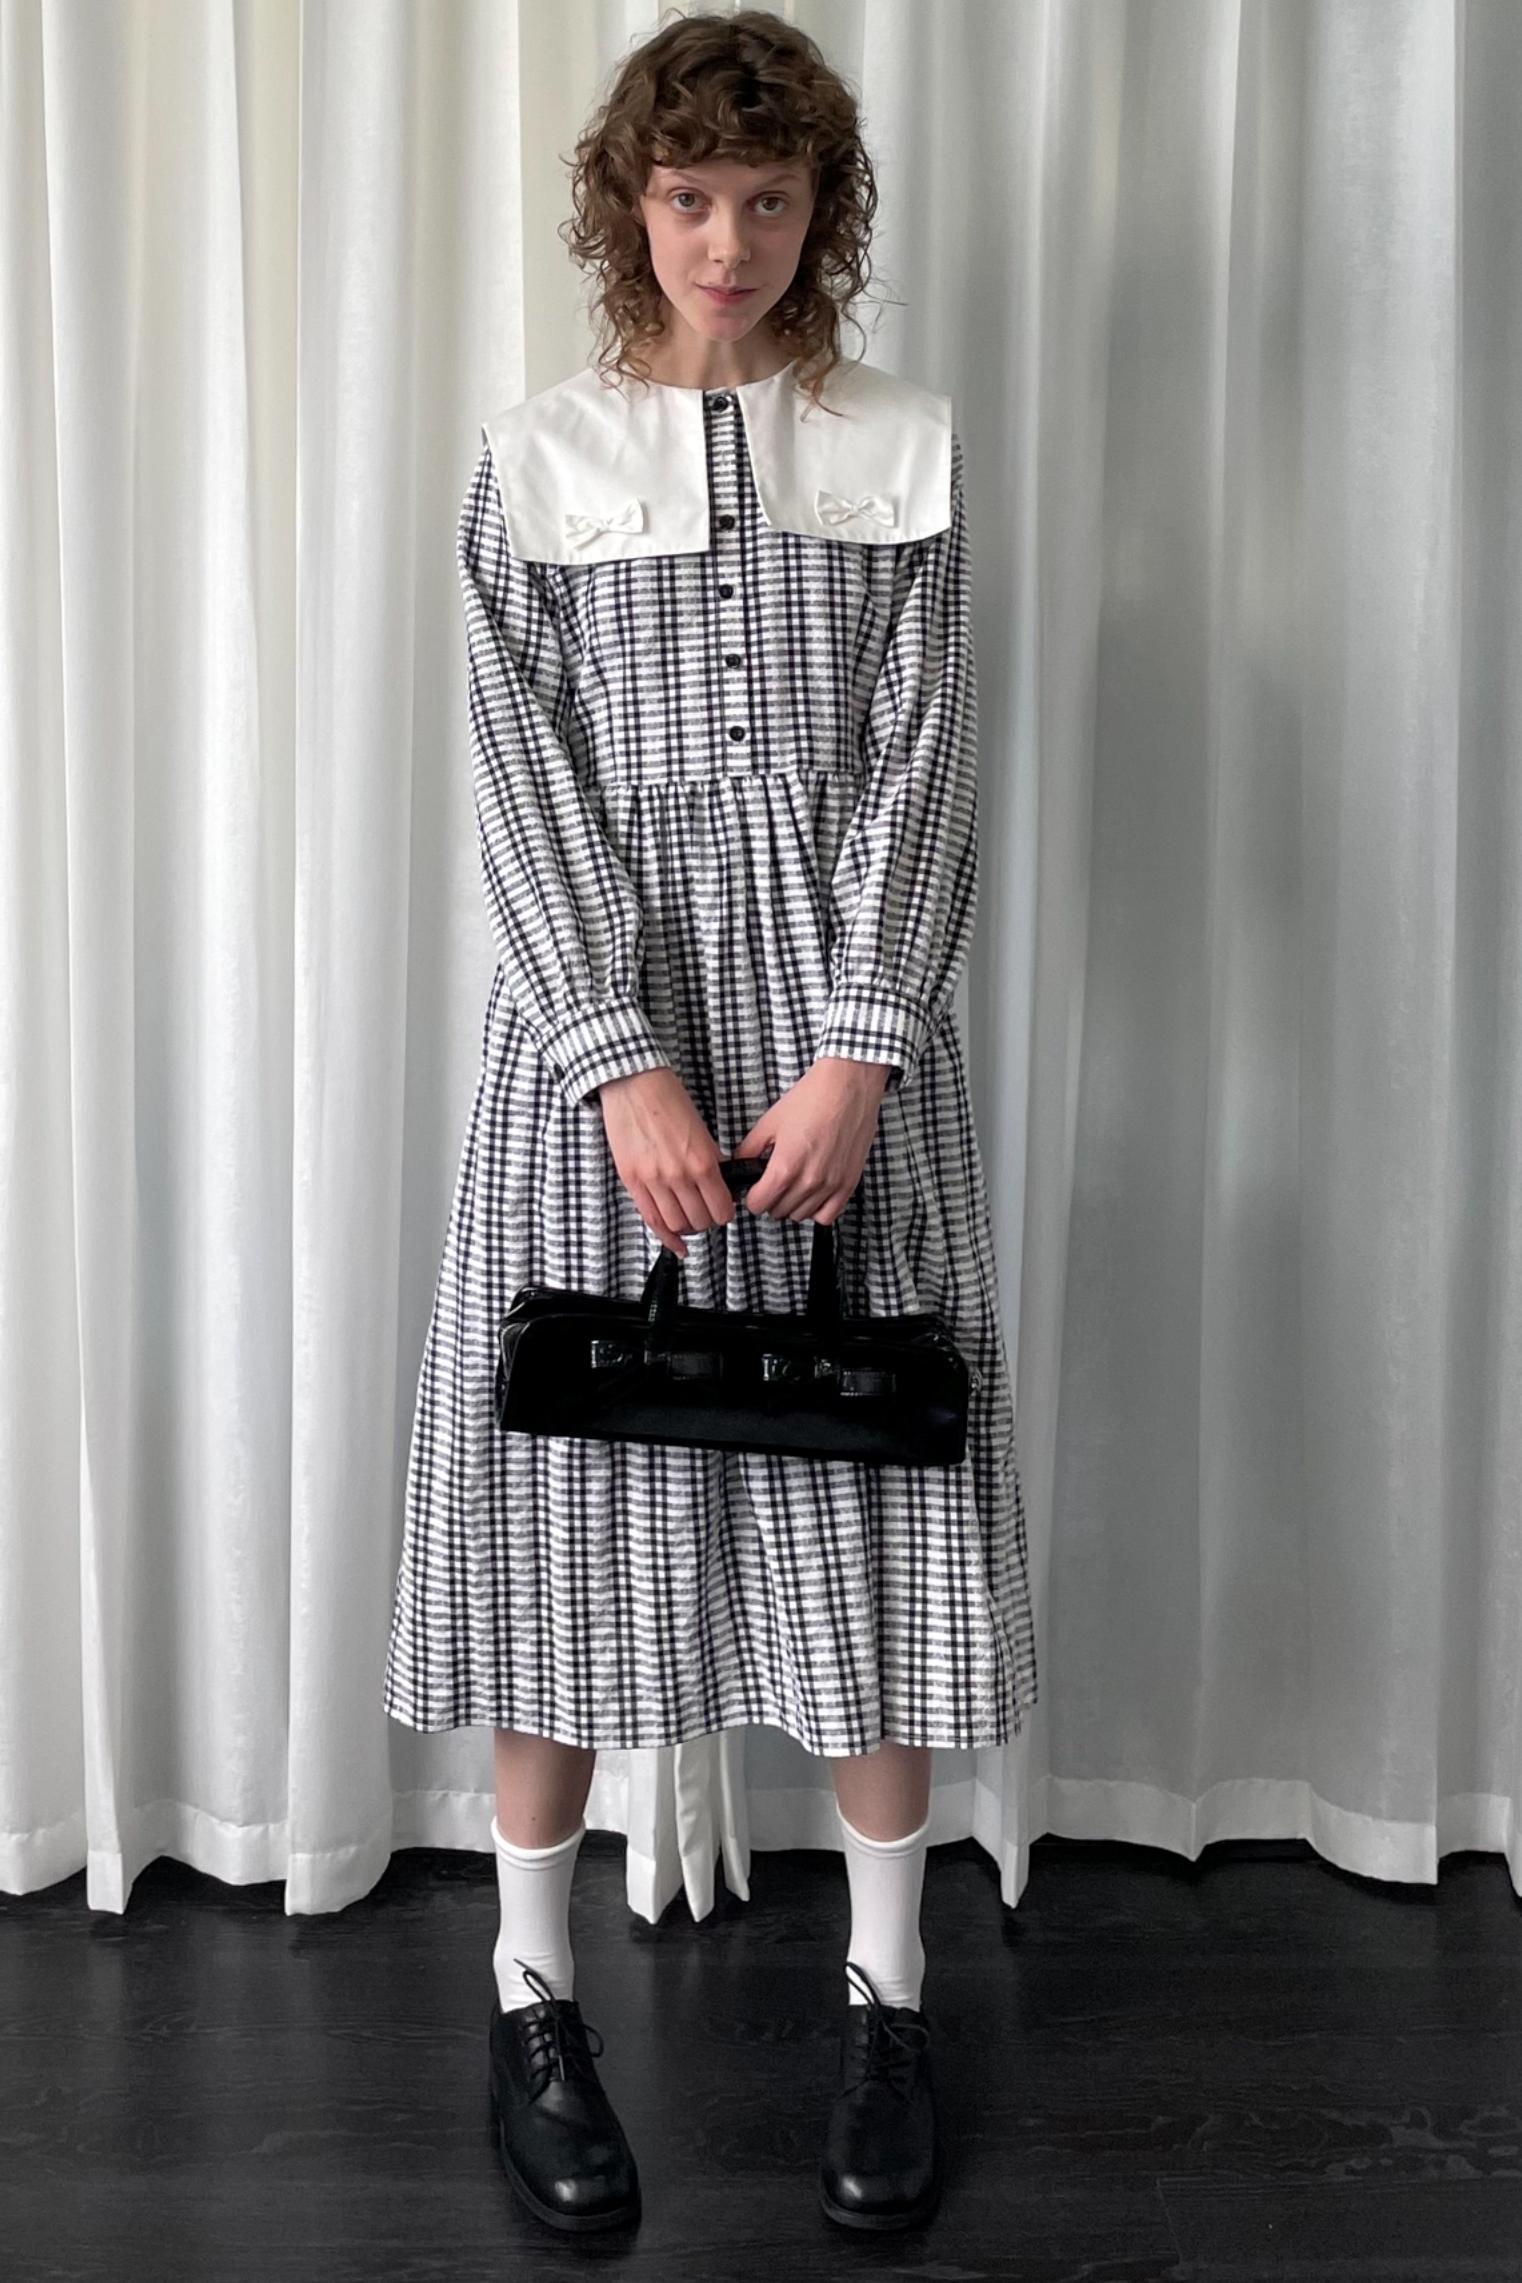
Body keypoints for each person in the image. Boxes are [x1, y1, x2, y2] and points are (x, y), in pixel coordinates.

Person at [382, 4, 1038, 2240]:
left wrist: (860, 1043)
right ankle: (530, 1994)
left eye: (767, 198)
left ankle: (887, 1992)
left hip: (847, 1037)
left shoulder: (906, 445)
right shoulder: (538, 453)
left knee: (868, 1487)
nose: (727, 240)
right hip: (605, 1046)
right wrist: (613, 1050)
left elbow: (930, 751)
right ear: (627, 207)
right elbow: (517, 765)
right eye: (687, 198)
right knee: (572, 1485)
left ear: (820, 207)